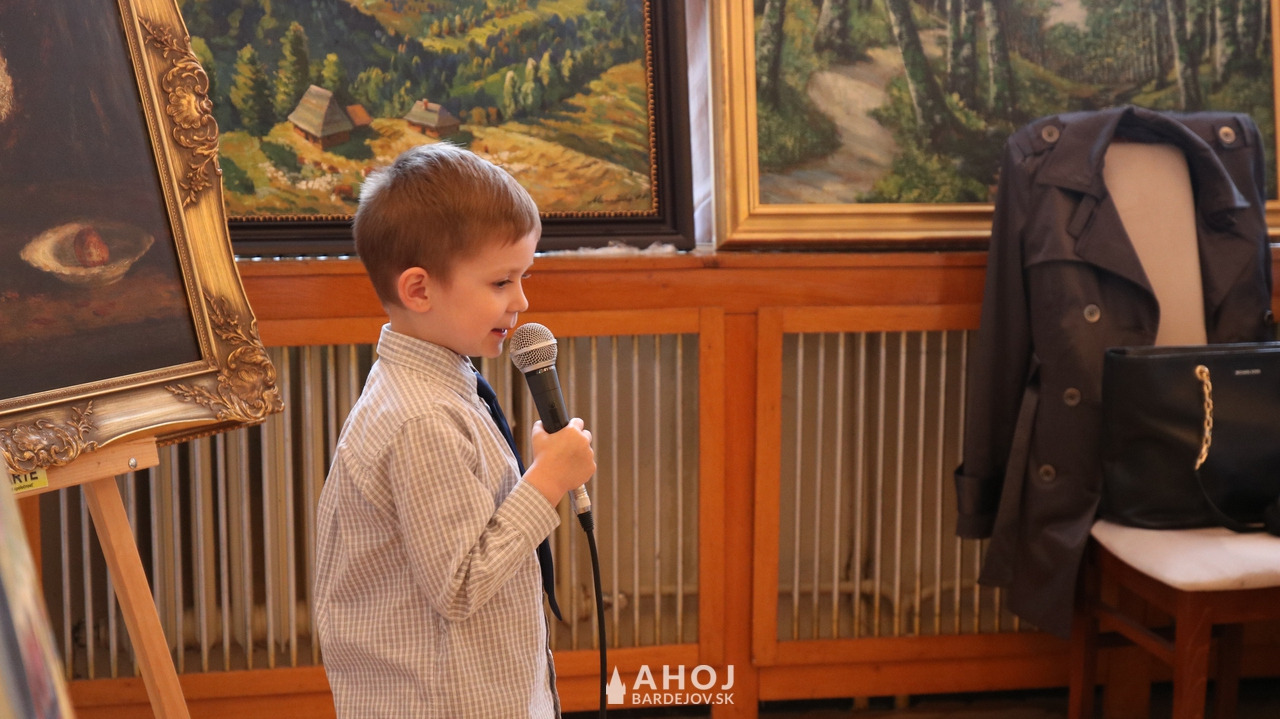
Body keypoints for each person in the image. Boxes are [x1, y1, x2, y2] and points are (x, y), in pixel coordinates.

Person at [313, 142, 597, 718]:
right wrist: (547, 481)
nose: (522, 301)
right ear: (419, 290)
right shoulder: (421, 420)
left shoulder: (443, 385)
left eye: (523, 277)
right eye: (501, 282)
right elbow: (462, 585)